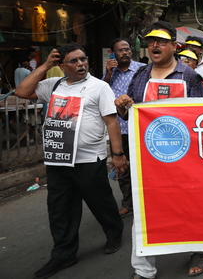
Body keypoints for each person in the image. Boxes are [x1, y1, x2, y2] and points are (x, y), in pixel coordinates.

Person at [15, 43, 127, 279]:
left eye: (83, 59)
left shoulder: (99, 87)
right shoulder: (52, 85)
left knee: (101, 202)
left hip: (89, 159)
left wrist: (117, 156)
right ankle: (63, 255)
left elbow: (112, 122)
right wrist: (46, 65)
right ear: (62, 65)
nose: (81, 64)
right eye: (74, 61)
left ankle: (114, 232)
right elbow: (22, 92)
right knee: (60, 210)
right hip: (58, 161)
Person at [114, 21, 203, 279]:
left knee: (188, 205)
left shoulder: (189, 76)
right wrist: (122, 105)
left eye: (162, 41)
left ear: (174, 46)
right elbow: (128, 113)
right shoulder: (140, 75)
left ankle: (197, 251)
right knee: (144, 210)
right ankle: (143, 269)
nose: (155, 45)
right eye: (151, 41)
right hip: (148, 159)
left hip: (184, 158)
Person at [103, 38, 143, 218]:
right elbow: (102, 93)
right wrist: (109, 73)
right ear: (113, 53)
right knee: (122, 167)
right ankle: (128, 203)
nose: (124, 52)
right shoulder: (110, 74)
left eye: (127, 49)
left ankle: (146, 201)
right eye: (120, 50)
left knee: (143, 167)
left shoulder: (143, 69)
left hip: (140, 126)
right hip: (119, 130)